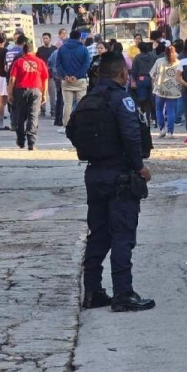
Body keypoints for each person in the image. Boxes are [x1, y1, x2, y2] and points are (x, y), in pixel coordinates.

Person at [72, 51, 155, 312]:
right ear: (122, 74)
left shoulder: (88, 99)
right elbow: (131, 135)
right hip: (120, 175)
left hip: (94, 173)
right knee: (122, 234)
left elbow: (71, 130)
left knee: (98, 235)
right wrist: (139, 167)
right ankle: (123, 292)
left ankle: (93, 291)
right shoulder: (122, 100)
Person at [8, 41, 49, 150]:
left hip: (20, 90)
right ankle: (31, 142)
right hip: (36, 90)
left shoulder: (18, 62)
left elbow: (12, 79)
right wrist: (44, 94)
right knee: (33, 115)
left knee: (20, 116)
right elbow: (45, 78)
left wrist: (10, 93)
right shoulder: (40, 62)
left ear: (24, 51)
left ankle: (21, 141)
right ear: (33, 51)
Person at [57, 29, 91, 128]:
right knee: (81, 103)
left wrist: (65, 75)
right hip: (80, 80)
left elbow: (58, 65)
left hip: (66, 81)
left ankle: (66, 125)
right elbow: (86, 65)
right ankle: (81, 125)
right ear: (79, 37)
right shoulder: (83, 49)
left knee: (67, 104)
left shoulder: (62, 49)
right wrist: (76, 75)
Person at [150, 45, 181, 139]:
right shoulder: (178, 63)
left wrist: (154, 86)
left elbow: (152, 74)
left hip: (160, 88)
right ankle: (170, 132)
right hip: (173, 90)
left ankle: (162, 129)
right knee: (171, 111)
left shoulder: (159, 61)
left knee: (159, 109)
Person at [131, 41, 158, 120]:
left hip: (141, 79)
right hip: (152, 78)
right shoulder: (153, 56)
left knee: (142, 99)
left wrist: (136, 78)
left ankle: (144, 115)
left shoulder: (137, 57)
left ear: (139, 49)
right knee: (153, 98)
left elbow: (134, 71)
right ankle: (154, 117)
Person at [36, 33, 57, 117]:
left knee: (52, 94)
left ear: (50, 39)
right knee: (42, 93)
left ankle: (53, 111)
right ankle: (42, 110)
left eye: (46, 38)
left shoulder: (54, 49)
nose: (45, 40)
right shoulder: (40, 49)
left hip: (51, 75)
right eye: (44, 38)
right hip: (42, 75)